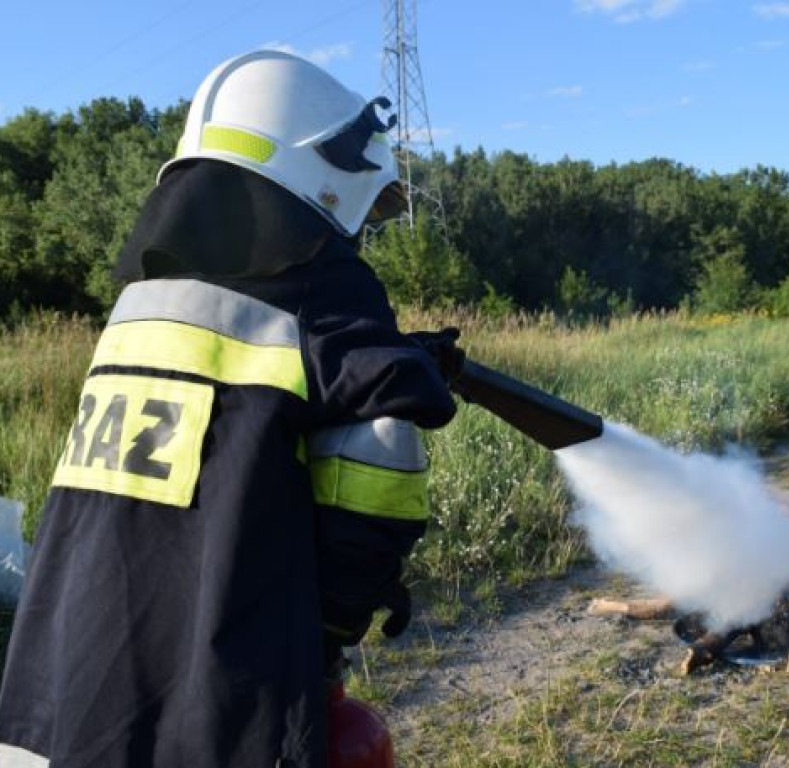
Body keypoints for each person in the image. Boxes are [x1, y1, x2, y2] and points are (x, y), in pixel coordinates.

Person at [0, 49, 460, 768]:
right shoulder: (323, 289)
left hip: (67, 675)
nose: (356, 235)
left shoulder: (135, 307)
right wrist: (334, 620)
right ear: (322, 173)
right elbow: (381, 460)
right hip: (218, 700)